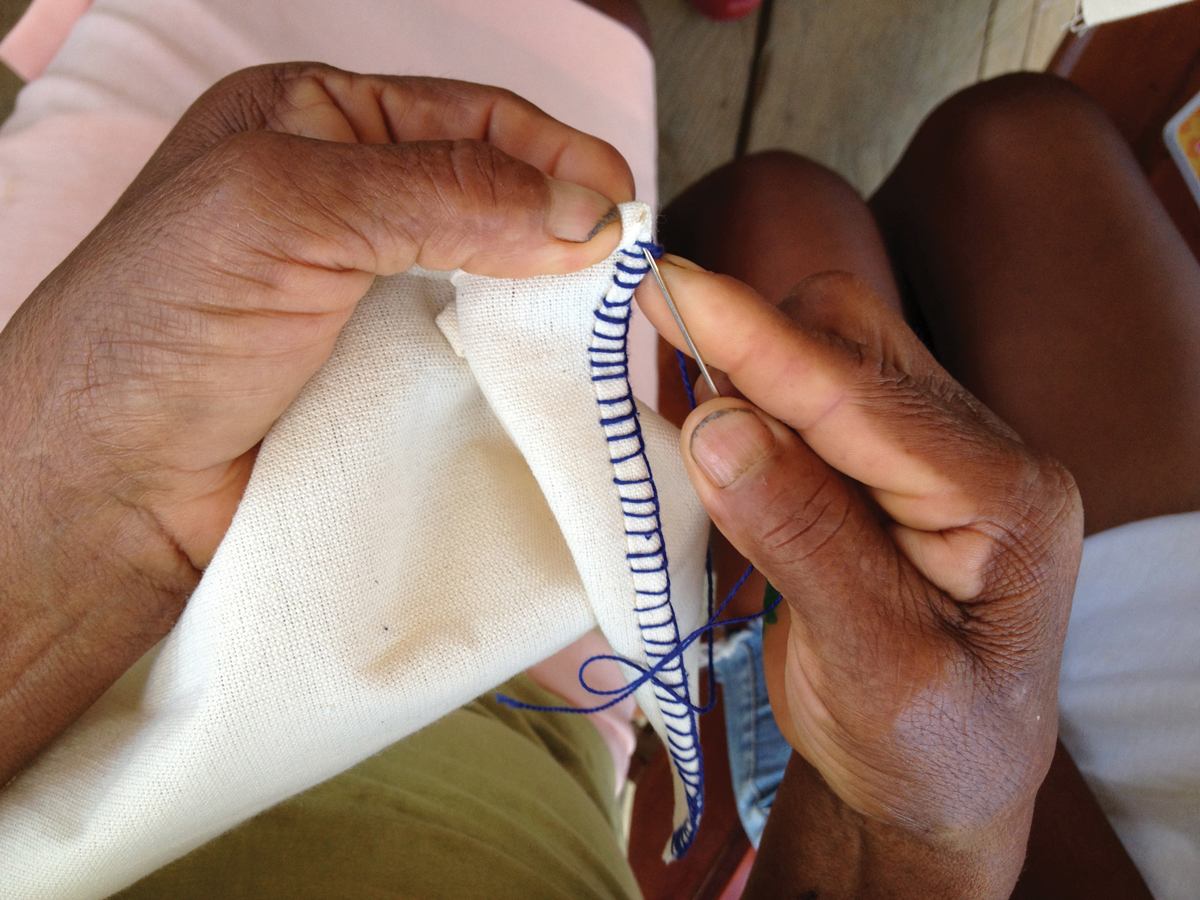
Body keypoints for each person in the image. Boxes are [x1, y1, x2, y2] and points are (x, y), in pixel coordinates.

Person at [0, 2, 1195, 899]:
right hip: (526, 686)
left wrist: (59, 511)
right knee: (608, 64)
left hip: (91, 496)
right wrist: (926, 846)